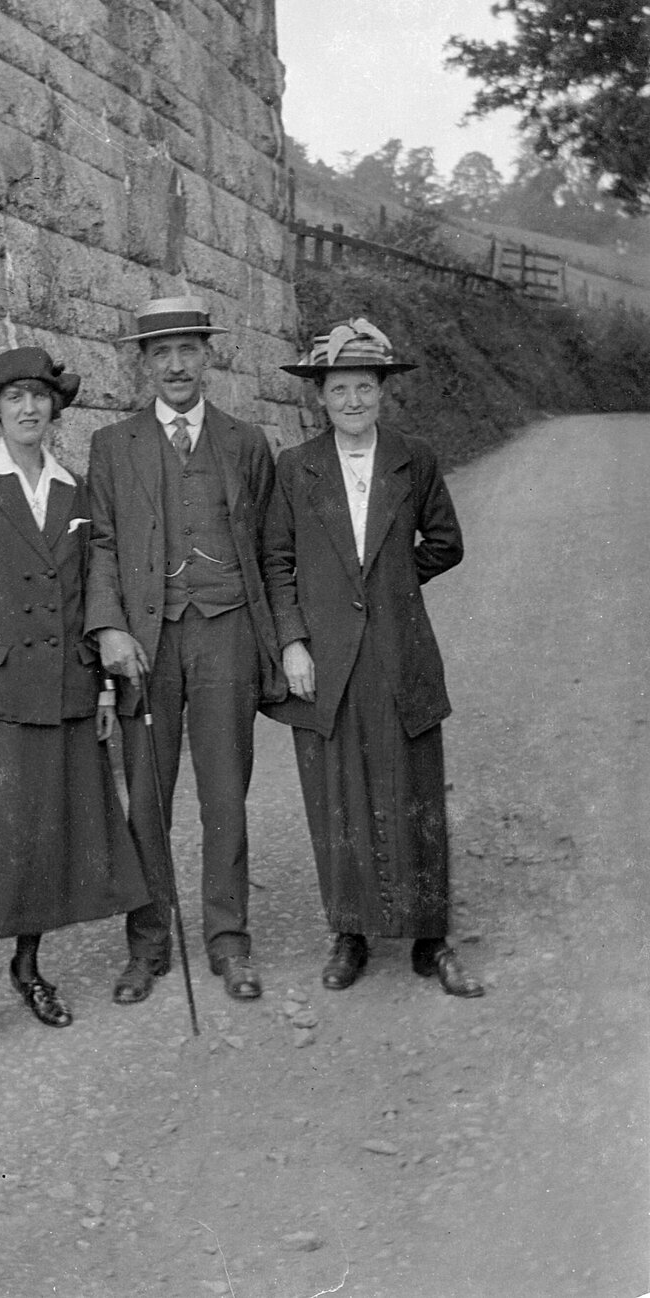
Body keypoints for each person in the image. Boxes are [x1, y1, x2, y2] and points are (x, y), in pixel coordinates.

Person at [0, 347, 149, 1067]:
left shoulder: (74, 491)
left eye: (40, 398)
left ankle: (28, 969)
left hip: (65, 694)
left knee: (48, 839)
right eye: (16, 399)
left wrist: (105, 689)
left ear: (57, 410)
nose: (29, 410)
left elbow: (93, 595)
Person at [263, 317, 483, 997]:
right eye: (339, 390)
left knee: (414, 789)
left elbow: (445, 542)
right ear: (319, 398)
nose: (353, 401)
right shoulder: (296, 467)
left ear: (383, 391)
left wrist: (390, 582)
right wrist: (295, 641)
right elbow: (277, 559)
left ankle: (429, 939)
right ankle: (350, 933)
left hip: (400, 652)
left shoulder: (412, 458)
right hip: (327, 660)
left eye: (364, 387)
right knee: (338, 794)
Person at [85, 297, 285, 1006]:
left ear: (208, 356)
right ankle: (148, 945)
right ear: (142, 363)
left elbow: (271, 549)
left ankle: (229, 942)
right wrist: (109, 628)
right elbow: (102, 544)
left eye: (187, 350)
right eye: (160, 352)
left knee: (225, 792)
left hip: (227, 629)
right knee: (147, 798)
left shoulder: (246, 441)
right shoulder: (114, 447)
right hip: (148, 640)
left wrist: (285, 641)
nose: (175, 364)